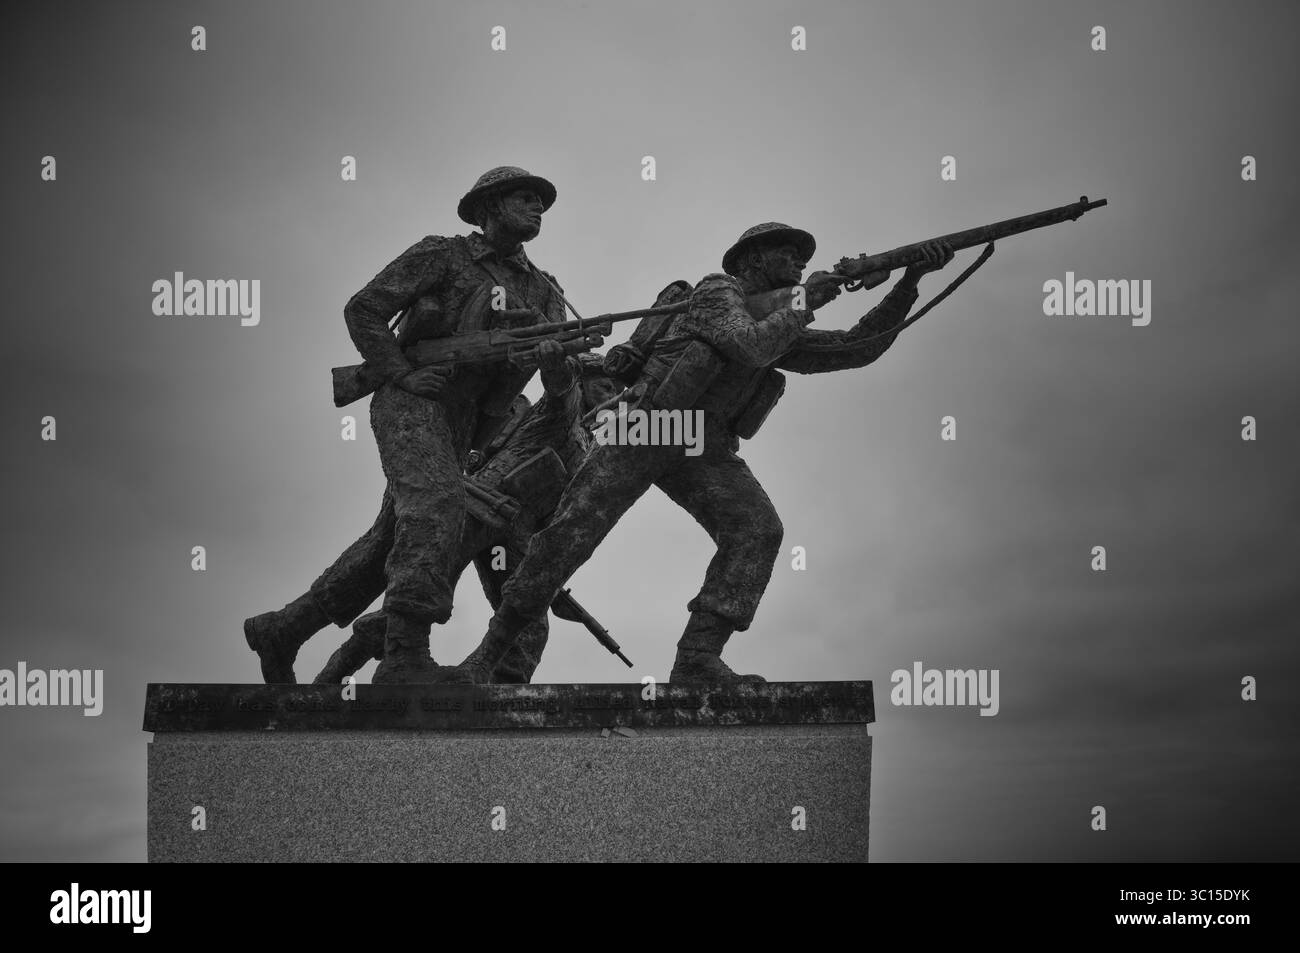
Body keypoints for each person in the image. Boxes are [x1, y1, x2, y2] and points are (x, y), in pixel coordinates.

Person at [444, 222, 953, 685]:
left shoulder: (782, 318)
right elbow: (748, 345)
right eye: (787, 252)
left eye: (802, 256)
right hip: (648, 427)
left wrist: (909, 284)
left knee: (756, 529)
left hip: (702, 443)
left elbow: (854, 348)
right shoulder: (716, 291)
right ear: (751, 261)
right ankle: (486, 658)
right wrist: (803, 300)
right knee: (568, 538)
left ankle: (698, 657)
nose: (799, 260)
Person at [244, 166, 570, 684]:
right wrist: (399, 372)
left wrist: (554, 371)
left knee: (388, 543)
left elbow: (554, 377)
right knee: (437, 510)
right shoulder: (443, 255)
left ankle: (285, 629)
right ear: (490, 207)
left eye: (541, 203)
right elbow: (365, 309)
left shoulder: (544, 290)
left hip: (463, 421)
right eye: (526, 199)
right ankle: (404, 657)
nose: (538, 209)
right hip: (411, 402)